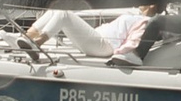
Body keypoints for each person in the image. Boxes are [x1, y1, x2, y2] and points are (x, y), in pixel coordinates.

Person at [25, 4, 155, 59]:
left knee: (64, 14)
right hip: (97, 40)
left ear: (152, 5)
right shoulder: (137, 14)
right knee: (55, 10)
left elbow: (135, 40)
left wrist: (120, 53)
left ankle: (37, 44)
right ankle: (26, 37)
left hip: (105, 46)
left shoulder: (146, 21)